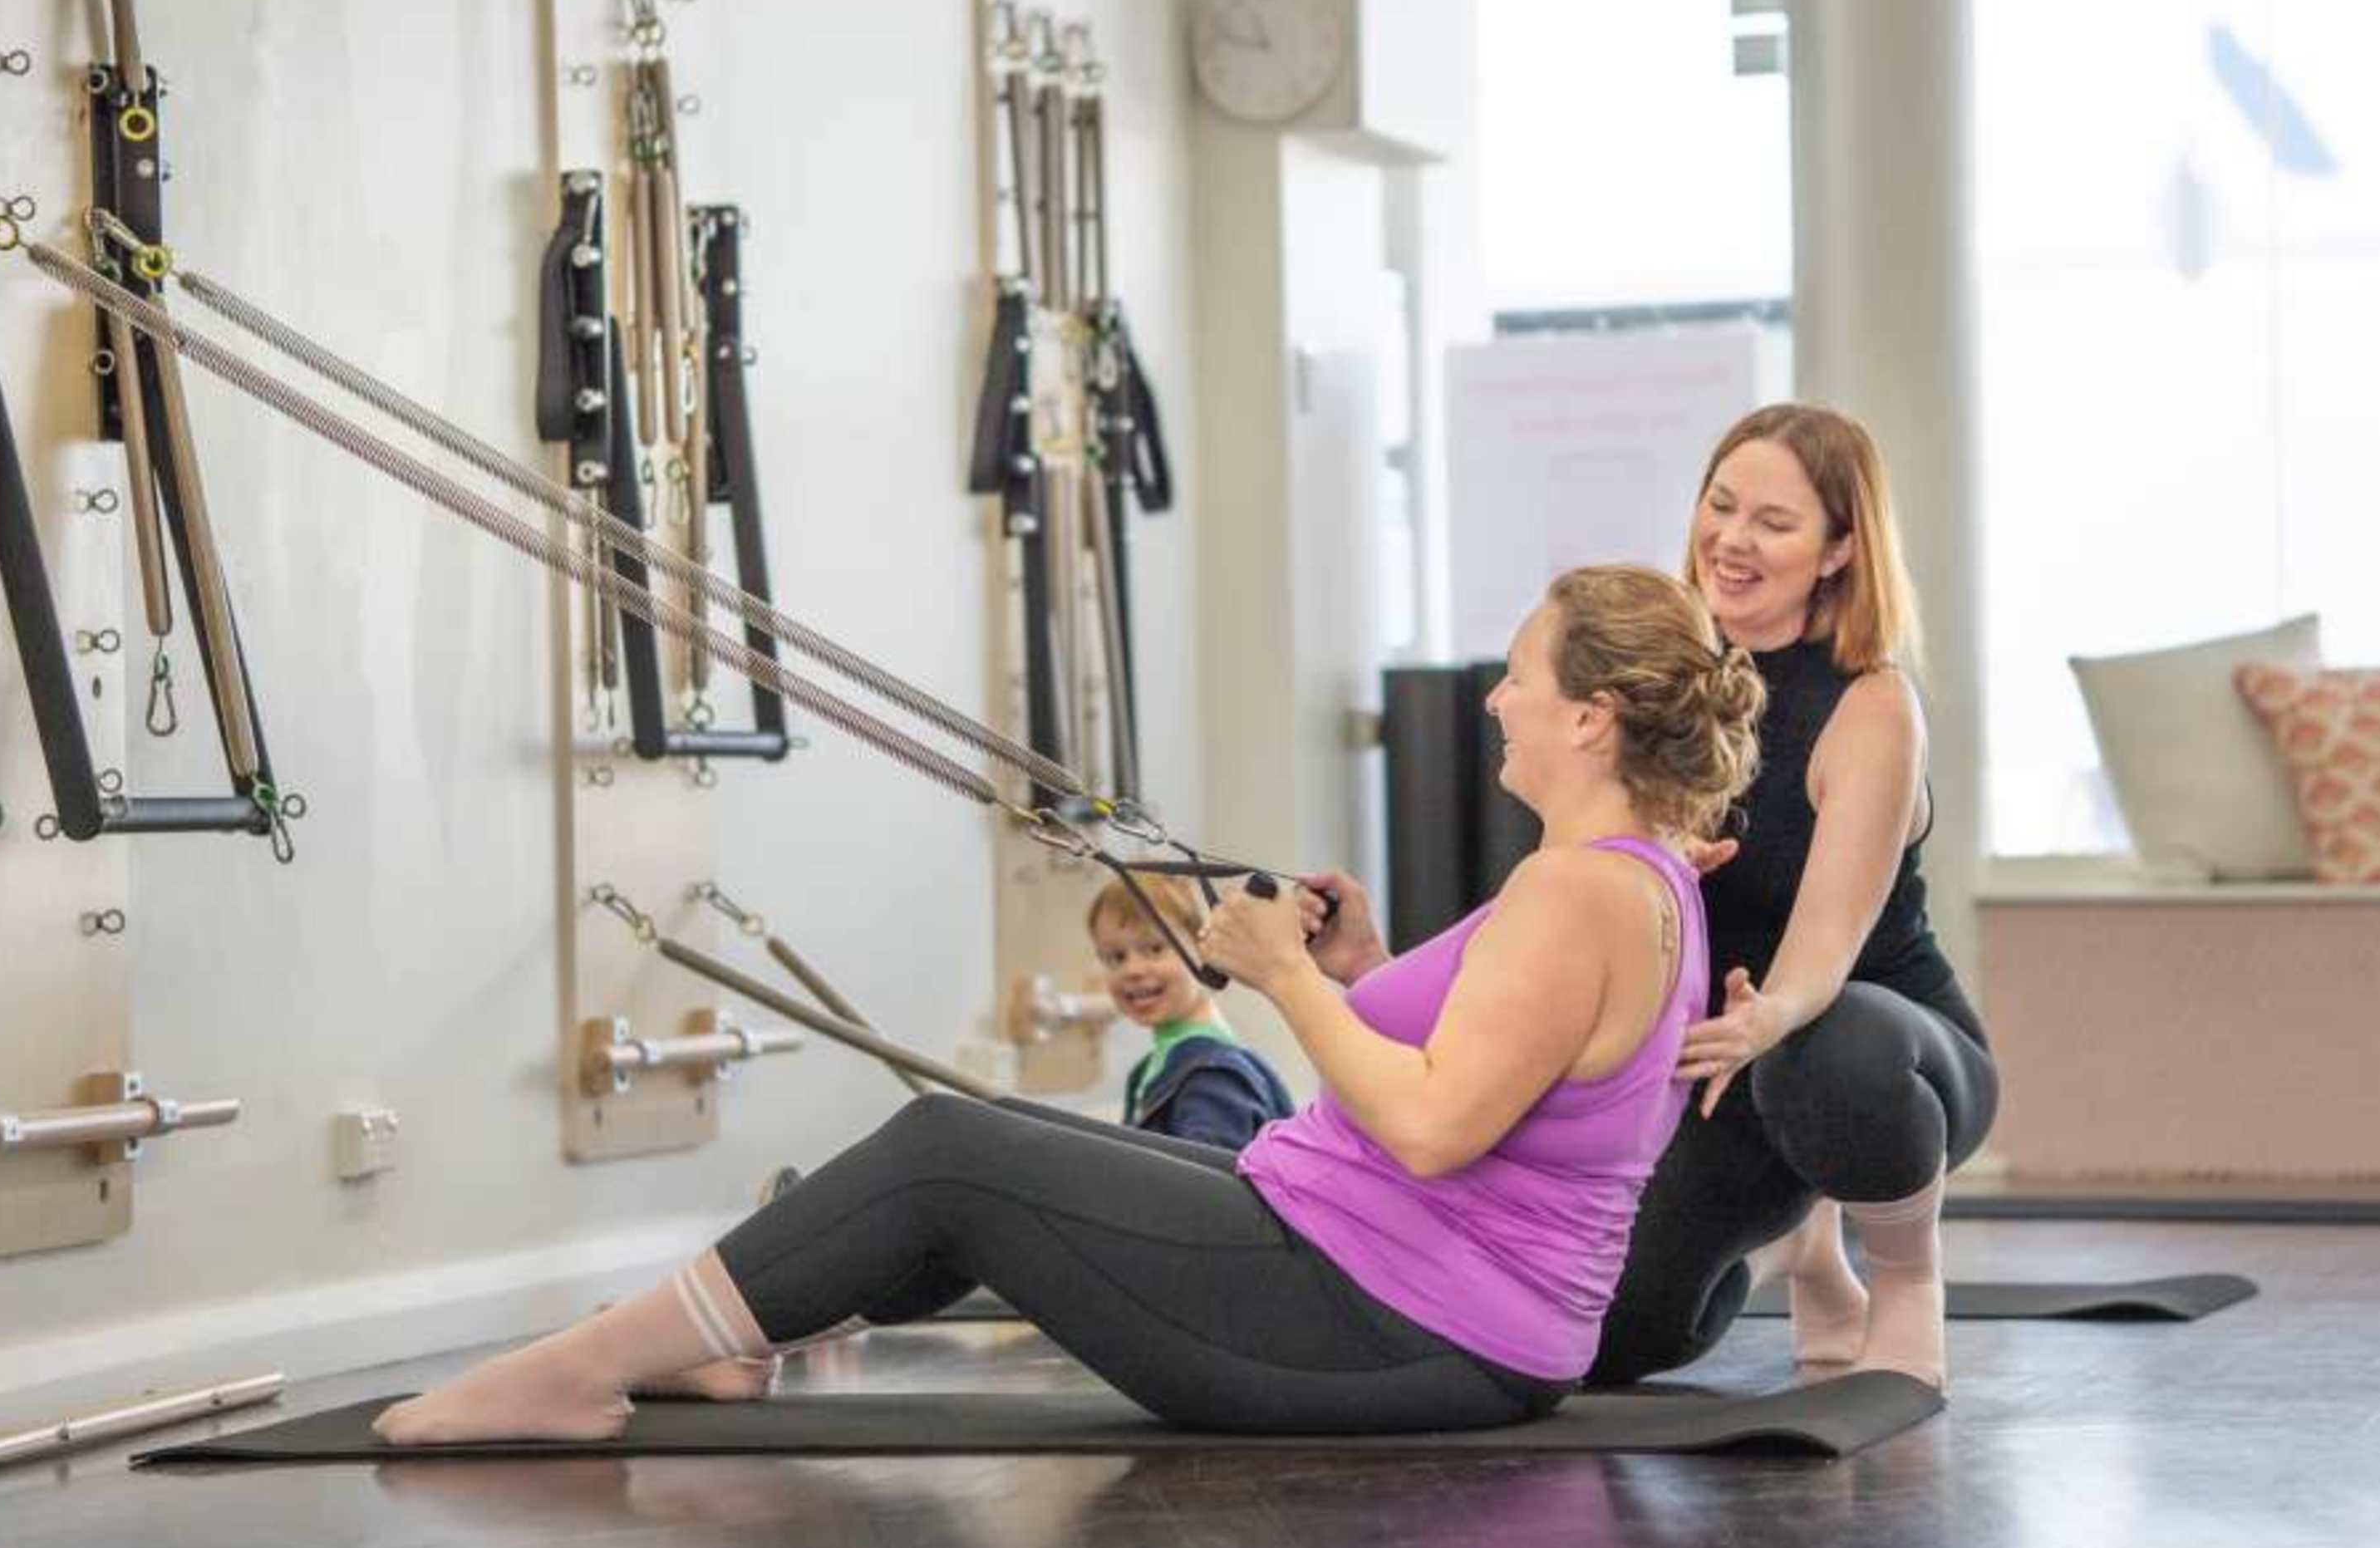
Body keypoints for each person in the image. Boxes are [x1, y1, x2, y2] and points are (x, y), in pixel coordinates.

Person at [376, 564, 1761, 1442]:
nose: (1501, 698)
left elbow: (1436, 1127)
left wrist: (1279, 978)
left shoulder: (1577, 891)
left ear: (1590, 719)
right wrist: (1358, 969)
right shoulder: (1625, 880)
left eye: (1524, 674)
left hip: (1397, 1326)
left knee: (949, 1155)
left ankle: (575, 1370)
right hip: (1405, 1297)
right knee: (992, 1146)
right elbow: (1496, 1057)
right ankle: (723, 1347)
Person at [1581, 402, 2000, 1393]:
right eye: (1720, 506)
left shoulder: (1871, 704)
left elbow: (1826, 939)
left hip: (1879, 1057)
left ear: (1839, 549)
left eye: (1774, 522)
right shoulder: (1663, 689)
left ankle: (1903, 1272)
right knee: (1611, 1337)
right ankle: (1804, 1243)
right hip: (1726, 1064)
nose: (1731, 539)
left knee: (1828, 1044)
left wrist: (1769, 1009)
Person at [1096, 873, 1294, 1149]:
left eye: (1154, 949)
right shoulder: (1152, 1069)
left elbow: (1204, 1190)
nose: (1133, 970)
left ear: (1204, 947)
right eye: (1116, 957)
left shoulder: (1212, 1075)